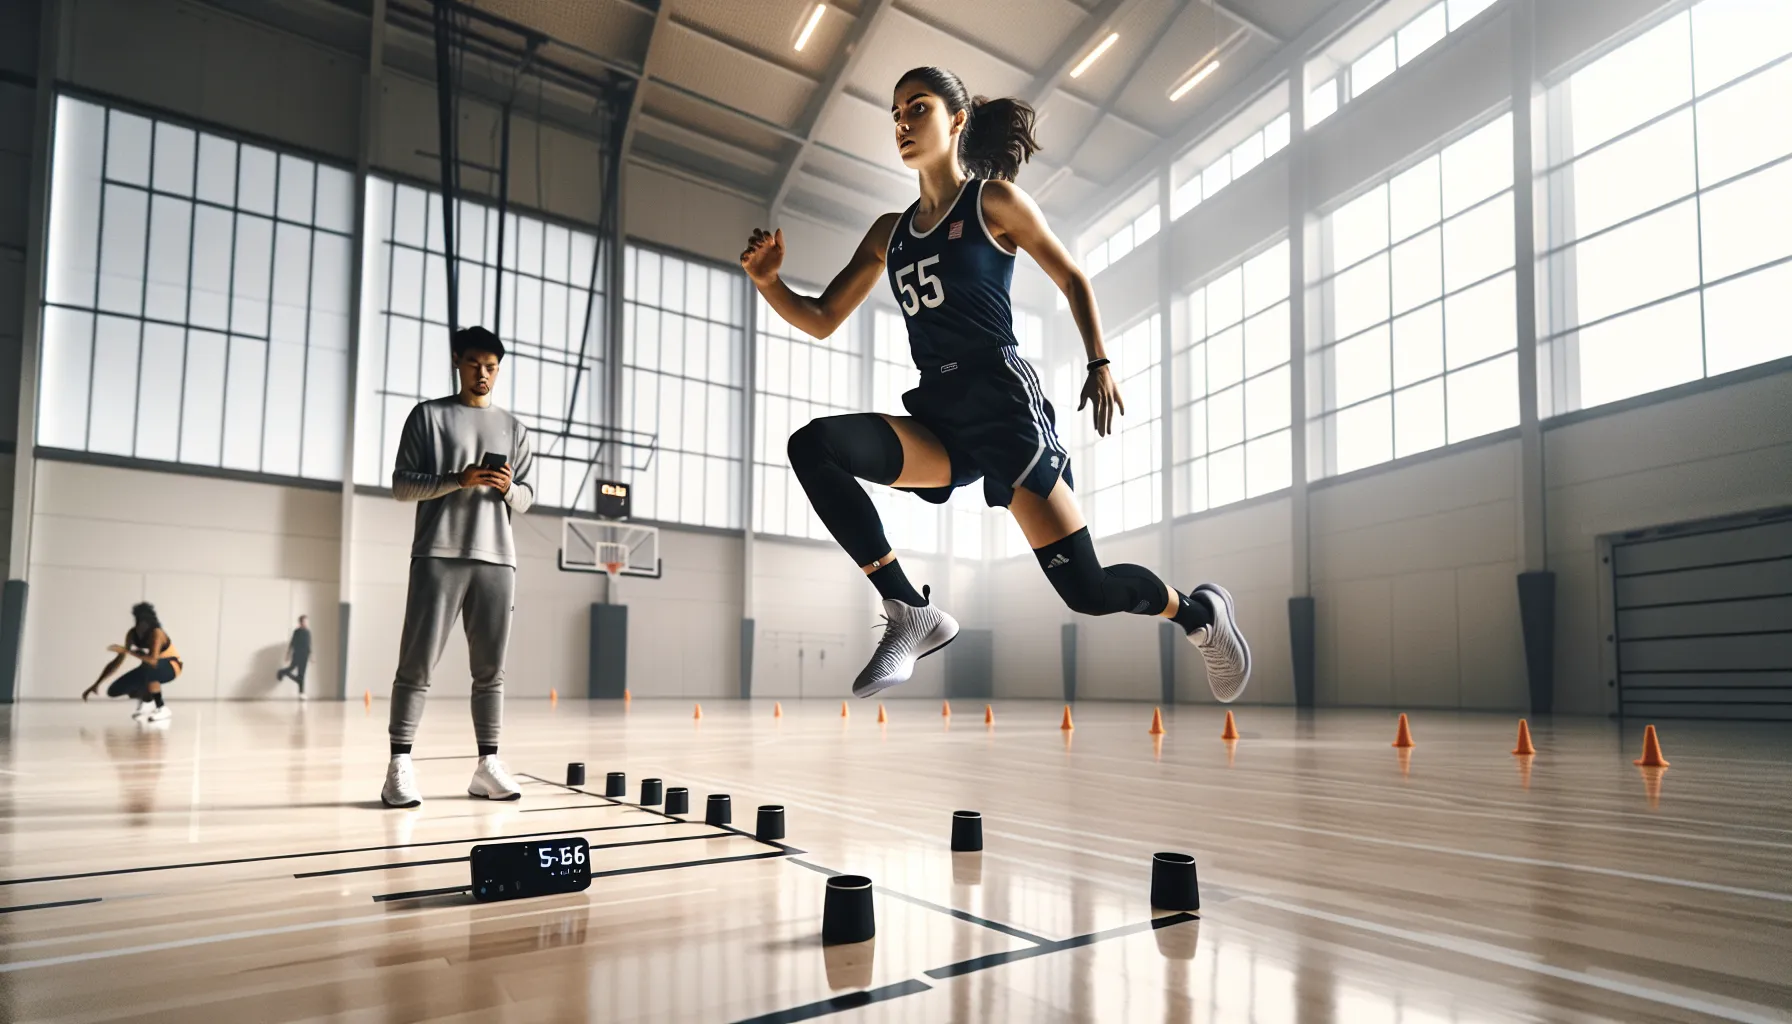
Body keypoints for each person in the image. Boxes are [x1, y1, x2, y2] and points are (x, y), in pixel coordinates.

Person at [739, 66, 1251, 702]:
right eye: (895, 112)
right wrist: (770, 284)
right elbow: (820, 319)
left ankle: (1199, 615)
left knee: (1088, 592)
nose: (901, 122)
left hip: (1004, 406)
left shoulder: (993, 202)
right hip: (941, 416)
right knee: (814, 446)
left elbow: (1072, 279)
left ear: (955, 121)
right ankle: (907, 608)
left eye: (916, 108)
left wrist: (1099, 362)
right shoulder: (887, 234)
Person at [379, 325, 535, 808]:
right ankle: (398, 767)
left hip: (496, 559)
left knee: (491, 671)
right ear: (457, 362)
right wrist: (456, 480)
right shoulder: (428, 417)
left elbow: (528, 498)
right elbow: (403, 486)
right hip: (438, 555)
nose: (483, 374)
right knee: (416, 666)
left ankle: (487, 764)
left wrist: (507, 487)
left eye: (491, 367)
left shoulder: (515, 428)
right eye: (474, 364)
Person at [82, 602, 181, 723]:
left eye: (146, 622)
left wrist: (129, 652)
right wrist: (97, 683)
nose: (143, 626)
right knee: (114, 690)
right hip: (148, 668)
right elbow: (117, 662)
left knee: (149, 668)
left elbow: (153, 661)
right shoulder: (132, 634)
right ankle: (148, 702)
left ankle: (162, 707)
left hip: (171, 667)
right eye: (140, 622)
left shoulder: (157, 633)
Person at [276, 614, 312, 697]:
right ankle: (282, 672)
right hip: (297, 654)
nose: (306, 623)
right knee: (291, 668)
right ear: (300, 622)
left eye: (307, 621)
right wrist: (288, 654)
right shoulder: (297, 632)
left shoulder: (308, 632)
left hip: (305, 655)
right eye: (304, 621)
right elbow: (292, 643)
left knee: (302, 674)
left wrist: (311, 655)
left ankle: (301, 693)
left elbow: (309, 644)